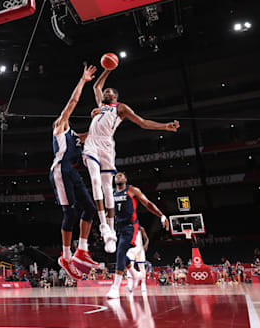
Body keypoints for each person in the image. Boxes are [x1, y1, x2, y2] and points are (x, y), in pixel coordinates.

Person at [83, 66, 179, 253]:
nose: (107, 92)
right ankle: (103, 225)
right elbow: (96, 86)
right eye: (106, 91)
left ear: (116, 97)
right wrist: (107, 69)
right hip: (92, 144)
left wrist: (165, 126)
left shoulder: (121, 108)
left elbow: (142, 123)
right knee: (94, 180)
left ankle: (110, 231)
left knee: (107, 190)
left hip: (107, 146)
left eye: (110, 92)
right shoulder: (101, 106)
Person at [49, 65, 101, 280]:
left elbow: (93, 134)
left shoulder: (74, 135)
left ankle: (82, 250)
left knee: (89, 209)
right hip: (60, 170)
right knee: (70, 213)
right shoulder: (59, 127)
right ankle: (66, 257)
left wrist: (99, 118)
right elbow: (72, 103)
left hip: (73, 173)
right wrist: (83, 81)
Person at [106, 172, 169, 299]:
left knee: (120, 252)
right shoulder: (111, 193)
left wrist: (161, 215)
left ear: (126, 179)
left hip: (131, 227)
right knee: (121, 255)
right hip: (118, 227)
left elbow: (147, 203)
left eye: (121, 175)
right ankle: (135, 273)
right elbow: (110, 212)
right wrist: (107, 228)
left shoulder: (133, 190)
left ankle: (115, 288)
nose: (118, 176)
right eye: (116, 175)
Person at [126, 225, 149, 294]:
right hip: (131, 249)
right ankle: (130, 285)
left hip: (140, 249)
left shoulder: (140, 228)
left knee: (141, 267)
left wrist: (146, 245)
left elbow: (146, 239)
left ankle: (143, 284)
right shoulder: (126, 228)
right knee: (129, 266)